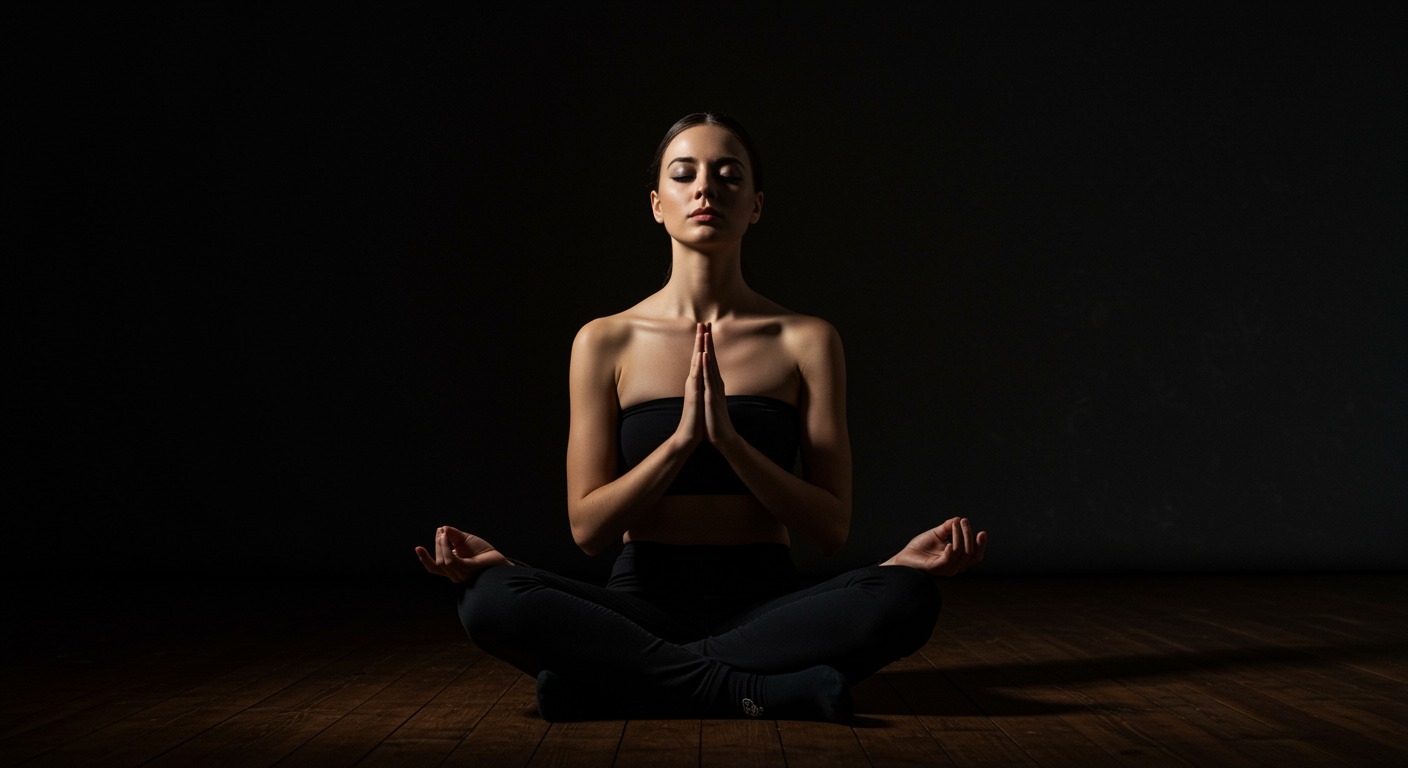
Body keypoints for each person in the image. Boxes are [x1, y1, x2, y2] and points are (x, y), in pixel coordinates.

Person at [415, 112, 988, 722]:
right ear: (658, 205)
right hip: (638, 602)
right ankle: (758, 691)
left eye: (728, 176)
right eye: (685, 175)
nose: (706, 189)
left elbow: (830, 529)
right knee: (490, 597)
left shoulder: (807, 339)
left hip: (766, 604)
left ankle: (616, 683)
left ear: (756, 205)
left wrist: (731, 442)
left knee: (906, 595)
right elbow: (588, 530)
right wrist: (682, 441)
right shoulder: (604, 341)